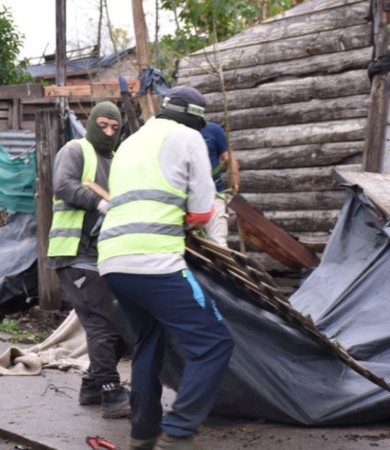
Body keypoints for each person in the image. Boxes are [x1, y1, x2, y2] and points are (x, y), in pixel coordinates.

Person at [97, 86, 235, 450]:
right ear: (195, 117)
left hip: (112, 259)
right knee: (215, 343)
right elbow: (203, 213)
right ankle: (178, 432)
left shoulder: (131, 141)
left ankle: (142, 435)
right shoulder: (189, 137)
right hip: (155, 259)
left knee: (148, 342)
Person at [47, 101, 132, 419]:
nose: (108, 132)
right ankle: (111, 392)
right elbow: (63, 184)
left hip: (103, 254)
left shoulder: (116, 160)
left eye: (114, 127)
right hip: (73, 252)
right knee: (100, 322)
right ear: (93, 123)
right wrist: (98, 203)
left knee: (117, 321)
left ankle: (93, 386)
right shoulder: (75, 149)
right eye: (103, 125)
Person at [201, 121, 239, 247]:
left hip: (214, 193)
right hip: (184, 195)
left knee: (217, 241)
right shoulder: (178, 132)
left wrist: (234, 184)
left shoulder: (212, 129)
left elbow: (229, 159)